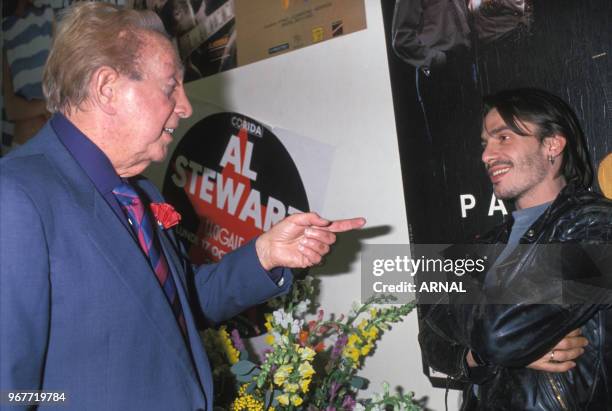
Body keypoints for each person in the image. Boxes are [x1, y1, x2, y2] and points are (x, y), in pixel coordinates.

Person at [0, 3, 365, 410]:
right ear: (106, 88)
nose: (186, 106)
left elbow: (179, 305)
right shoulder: (15, 197)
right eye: (171, 85)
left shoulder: (139, 193)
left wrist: (265, 253)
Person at [419, 88, 612, 410]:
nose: (486, 155)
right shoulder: (484, 244)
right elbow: (431, 341)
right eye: (485, 143)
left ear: (552, 144)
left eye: (503, 138)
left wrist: (498, 337)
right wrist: (481, 354)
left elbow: (501, 332)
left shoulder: (598, 228)